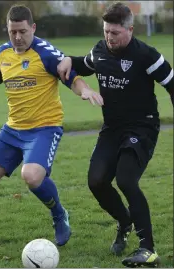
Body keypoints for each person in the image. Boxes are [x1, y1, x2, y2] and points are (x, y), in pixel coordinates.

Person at [0, 5, 103, 247]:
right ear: (7, 31)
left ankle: (59, 215)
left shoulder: (45, 52)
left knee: (31, 176)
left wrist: (84, 90)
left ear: (33, 28)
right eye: (13, 32)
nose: (18, 37)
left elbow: (71, 76)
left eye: (22, 31)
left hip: (44, 128)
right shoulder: (2, 53)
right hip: (12, 130)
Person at [57, 2, 173, 267]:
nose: (109, 37)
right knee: (96, 181)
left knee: (126, 179)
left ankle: (148, 249)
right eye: (106, 31)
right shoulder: (99, 51)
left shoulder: (146, 55)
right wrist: (67, 60)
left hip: (142, 127)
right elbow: (83, 65)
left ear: (130, 30)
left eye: (115, 33)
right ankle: (124, 221)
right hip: (112, 129)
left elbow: (172, 83)